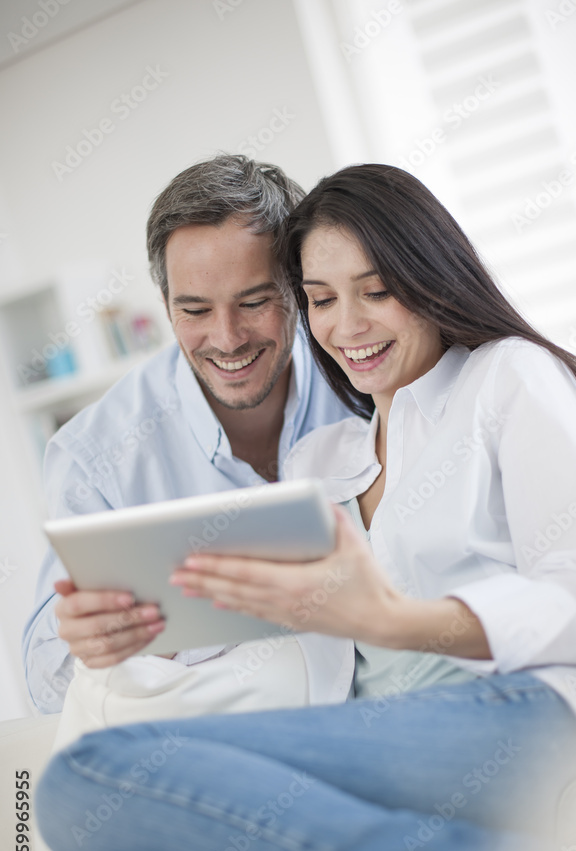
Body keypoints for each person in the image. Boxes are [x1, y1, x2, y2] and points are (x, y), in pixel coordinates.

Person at [5, 165, 576, 851]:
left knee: (87, 783)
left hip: (526, 712)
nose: (345, 325)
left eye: (374, 291)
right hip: (385, 740)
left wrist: (397, 618)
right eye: (322, 299)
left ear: (429, 278)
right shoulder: (326, 459)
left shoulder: (505, 377)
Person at [23, 154, 352, 715]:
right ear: (166, 304)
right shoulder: (97, 456)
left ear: (296, 288)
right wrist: (87, 642)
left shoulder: (359, 375)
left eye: (253, 302)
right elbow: (44, 686)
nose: (226, 339)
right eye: (194, 310)